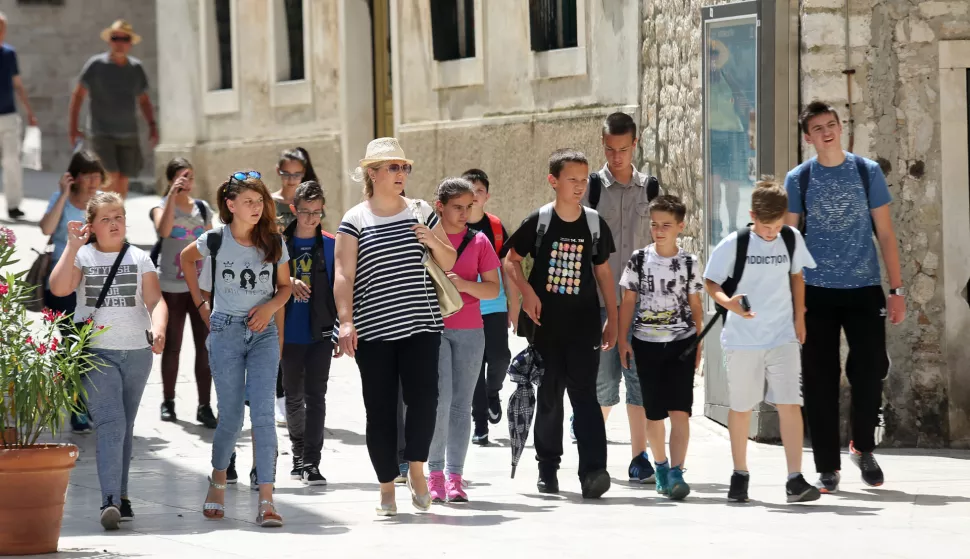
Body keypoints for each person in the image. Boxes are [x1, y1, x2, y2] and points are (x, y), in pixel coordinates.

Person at [784, 100, 905, 492]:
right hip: (816, 292)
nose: (827, 132)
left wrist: (897, 290)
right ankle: (826, 466)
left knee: (869, 371)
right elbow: (789, 241)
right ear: (808, 137)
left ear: (841, 126)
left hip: (864, 288)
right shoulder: (799, 179)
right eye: (818, 128)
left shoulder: (866, 171)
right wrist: (793, 302)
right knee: (819, 379)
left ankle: (863, 447)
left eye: (832, 124)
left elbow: (885, 234)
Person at [334, 138, 456, 516]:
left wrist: (431, 239)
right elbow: (343, 274)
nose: (401, 174)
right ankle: (387, 486)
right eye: (393, 167)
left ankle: (417, 470)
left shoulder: (420, 211)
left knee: (425, 400)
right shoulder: (355, 219)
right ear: (372, 173)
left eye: (404, 168)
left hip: (422, 322)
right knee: (381, 409)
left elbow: (450, 257)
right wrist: (345, 321)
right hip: (374, 330)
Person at [48, 192, 167, 530]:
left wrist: (158, 329)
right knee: (111, 422)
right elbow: (59, 288)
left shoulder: (140, 258)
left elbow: (155, 300)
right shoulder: (83, 255)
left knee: (125, 425)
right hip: (96, 353)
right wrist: (71, 245)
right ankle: (110, 499)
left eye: (119, 216)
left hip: (137, 354)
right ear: (92, 226)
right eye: (106, 218)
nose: (114, 223)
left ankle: (122, 494)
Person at [502, 148, 617, 499]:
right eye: (572, 180)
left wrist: (612, 317)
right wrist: (525, 292)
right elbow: (510, 260)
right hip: (545, 326)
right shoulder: (540, 220)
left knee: (586, 399)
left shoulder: (594, 223)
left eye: (584, 180)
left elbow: (603, 272)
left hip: (584, 327)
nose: (580, 186)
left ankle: (594, 471)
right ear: (554, 181)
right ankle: (547, 468)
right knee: (550, 398)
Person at [180, 170, 292, 528]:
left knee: (263, 416)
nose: (256, 207)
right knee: (231, 416)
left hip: (262, 335)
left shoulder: (273, 240)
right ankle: (217, 482)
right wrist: (201, 306)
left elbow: (286, 287)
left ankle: (267, 498)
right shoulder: (214, 240)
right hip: (226, 331)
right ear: (230, 205)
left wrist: (270, 309)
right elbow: (185, 259)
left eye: (260, 201)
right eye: (248, 202)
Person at [703, 180, 821, 504]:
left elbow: (797, 276)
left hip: (782, 335)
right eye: (766, 227)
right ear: (752, 215)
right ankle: (740, 474)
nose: (771, 233)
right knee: (741, 408)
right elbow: (711, 281)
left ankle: (794, 479)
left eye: (777, 226)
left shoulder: (791, 239)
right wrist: (728, 303)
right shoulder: (734, 243)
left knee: (790, 404)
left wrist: (799, 317)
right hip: (743, 340)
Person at [581, 112, 660, 484]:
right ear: (603, 145)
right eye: (610, 150)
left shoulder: (652, 189)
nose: (616, 157)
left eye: (624, 150)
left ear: (636, 144)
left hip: (642, 305)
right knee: (603, 384)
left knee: (638, 381)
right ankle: (594, 452)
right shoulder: (592, 187)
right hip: (600, 303)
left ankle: (639, 457)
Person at [617, 195, 703, 500]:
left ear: (680, 226)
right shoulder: (639, 260)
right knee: (654, 415)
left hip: (682, 344)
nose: (659, 230)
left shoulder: (689, 263)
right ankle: (661, 466)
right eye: (654, 224)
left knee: (680, 412)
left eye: (666, 225)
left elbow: (696, 305)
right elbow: (628, 302)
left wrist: (699, 343)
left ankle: (678, 471)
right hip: (646, 344)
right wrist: (622, 339)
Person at [427, 178, 501, 503]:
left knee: (461, 405)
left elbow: (493, 289)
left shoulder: (480, 241)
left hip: (471, 330)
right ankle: (435, 475)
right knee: (440, 402)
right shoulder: (425, 239)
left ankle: (455, 477)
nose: (464, 213)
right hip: (433, 328)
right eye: (458, 206)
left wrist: (466, 285)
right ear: (439, 206)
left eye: (468, 207)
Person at [39, 150, 105, 434]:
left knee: (91, 346)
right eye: (86, 176)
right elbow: (46, 228)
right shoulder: (62, 200)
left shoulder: (102, 203)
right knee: (72, 346)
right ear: (74, 177)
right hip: (63, 284)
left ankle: (87, 403)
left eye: (96, 176)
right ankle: (77, 408)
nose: (92, 182)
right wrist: (63, 194)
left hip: (93, 285)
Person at [150, 158, 216, 427]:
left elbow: (213, 244)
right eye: (179, 177)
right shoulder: (160, 207)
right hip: (171, 286)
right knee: (173, 345)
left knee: (205, 346)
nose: (185, 182)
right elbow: (163, 230)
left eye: (188, 176)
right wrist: (170, 198)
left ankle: (204, 406)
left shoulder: (202, 208)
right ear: (170, 180)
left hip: (199, 287)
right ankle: (168, 402)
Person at [280, 180, 337, 486]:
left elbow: (342, 290)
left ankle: (312, 462)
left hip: (320, 333)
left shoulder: (331, 244)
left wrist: (342, 328)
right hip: (286, 332)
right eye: (305, 212)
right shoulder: (278, 243)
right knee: (292, 396)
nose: (312, 218)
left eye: (317, 212)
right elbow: (266, 278)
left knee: (316, 397)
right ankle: (298, 451)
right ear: (294, 210)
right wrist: (288, 280)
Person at [68, 20, 156, 199]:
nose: (120, 43)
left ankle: (115, 221)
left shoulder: (136, 68)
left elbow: (144, 100)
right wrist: (72, 127)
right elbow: (78, 96)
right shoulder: (95, 65)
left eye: (125, 39)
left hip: (128, 133)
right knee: (110, 178)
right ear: (109, 41)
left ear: (130, 43)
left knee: (123, 182)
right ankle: (102, 220)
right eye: (116, 38)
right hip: (101, 133)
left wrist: (153, 125)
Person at [463, 169, 518, 446]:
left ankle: (492, 391)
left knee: (499, 358)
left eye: (479, 191)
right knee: (474, 365)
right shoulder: (452, 226)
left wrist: (513, 303)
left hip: (494, 303)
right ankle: (480, 423)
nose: (474, 196)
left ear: (487, 196)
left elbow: (508, 266)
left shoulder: (496, 228)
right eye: (469, 190)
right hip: (465, 308)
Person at [271, 147, 319, 424]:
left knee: (301, 338)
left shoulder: (308, 203)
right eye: (286, 173)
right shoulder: (269, 203)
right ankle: (279, 397)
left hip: (306, 276)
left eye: (297, 174)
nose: (291, 179)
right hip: (276, 278)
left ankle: (296, 397)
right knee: (278, 339)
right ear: (278, 172)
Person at [0, 12, 37, 220]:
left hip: (9, 115)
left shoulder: (9, 54)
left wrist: (30, 113)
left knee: (12, 161)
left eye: (1, 27)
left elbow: (18, 85)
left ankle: (13, 205)